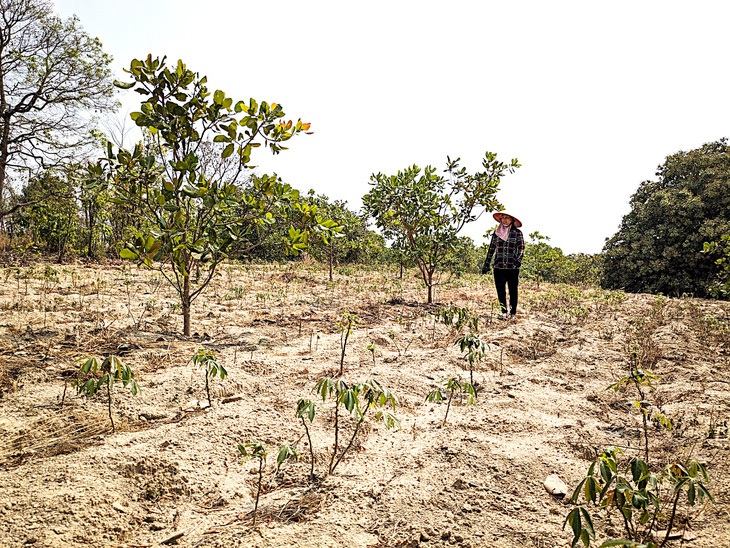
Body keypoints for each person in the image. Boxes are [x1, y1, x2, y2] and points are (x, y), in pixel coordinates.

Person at [481, 212, 524, 319]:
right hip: (498, 266)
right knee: (500, 290)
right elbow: (491, 249)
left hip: (512, 267)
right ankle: (503, 311)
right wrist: (486, 264)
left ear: (512, 220)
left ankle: (513, 312)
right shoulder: (496, 233)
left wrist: (518, 260)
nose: (504, 220)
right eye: (503, 218)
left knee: (513, 290)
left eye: (507, 218)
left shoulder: (517, 233)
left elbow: (521, 248)